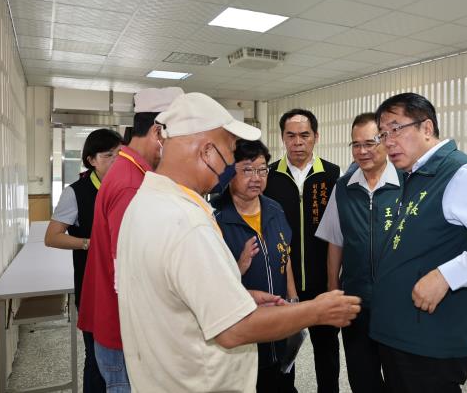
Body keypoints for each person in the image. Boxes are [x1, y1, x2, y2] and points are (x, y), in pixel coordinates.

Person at [115, 92, 361, 393]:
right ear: (207, 152)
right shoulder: (188, 223)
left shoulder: (145, 202)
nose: (232, 164)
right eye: (231, 152)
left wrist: (239, 296)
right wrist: (317, 310)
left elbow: (178, 294)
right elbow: (233, 329)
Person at [369, 92, 467, 393]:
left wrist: (446, 276)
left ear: (427, 128)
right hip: (400, 332)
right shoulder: (413, 175)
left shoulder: (461, 174)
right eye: (382, 133)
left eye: (396, 129)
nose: (388, 141)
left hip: (429, 340)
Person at [78, 86, 183, 391]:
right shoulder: (131, 183)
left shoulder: (130, 170)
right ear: (158, 132)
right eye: (179, 137)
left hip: (121, 326)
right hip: (126, 333)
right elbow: (130, 273)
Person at [315, 112, 401, 393]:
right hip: (355, 300)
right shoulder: (344, 187)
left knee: (401, 377)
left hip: (399, 301)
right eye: (356, 144)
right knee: (362, 377)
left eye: (370, 143)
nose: (362, 151)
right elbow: (335, 241)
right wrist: (333, 288)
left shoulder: (406, 183)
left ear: (385, 141)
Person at [263, 108, 341, 392]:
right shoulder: (269, 177)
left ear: (316, 137)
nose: (298, 142)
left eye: (304, 135)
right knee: (285, 353)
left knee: (327, 350)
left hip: (323, 281)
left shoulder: (332, 174)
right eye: (291, 135)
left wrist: (333, 283)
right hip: (283, 283)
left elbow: (337, 233)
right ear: (282, 138)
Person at [213, 139, 298, 392]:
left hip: (279, 324)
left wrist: (293, 300)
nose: (256, 178)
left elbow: (285, 255)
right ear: (230, 173)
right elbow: (208, 284)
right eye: (248, 170)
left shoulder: (275, 209)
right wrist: (238, 266)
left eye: (262, 170)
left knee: (283, 383)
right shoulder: (215, 217)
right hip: (241, 332)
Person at [45, 128, 122, 392]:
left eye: (119, 154)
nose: (116, 160)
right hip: (92, 287)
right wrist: (89, 243)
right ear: (91, 160)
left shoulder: (128, 188)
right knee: (97, 359)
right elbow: (52, 237)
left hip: (123, 287)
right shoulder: (76, 192)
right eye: (108, 155)